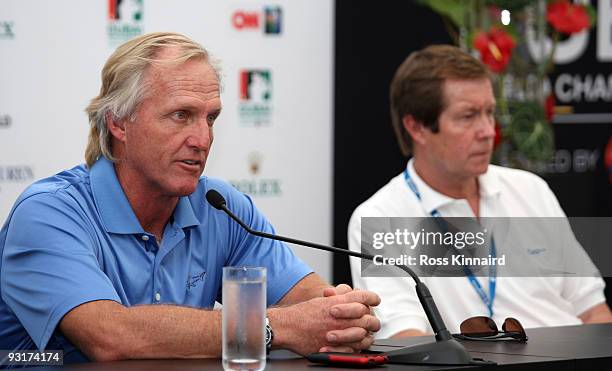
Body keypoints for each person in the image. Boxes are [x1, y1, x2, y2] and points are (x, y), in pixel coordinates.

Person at [0, 32, 380, 363]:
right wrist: (269, 327)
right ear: (118, 122)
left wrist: (339, 317)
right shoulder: (50, 213)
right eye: (181, 115)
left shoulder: (221, 206)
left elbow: (309, 302)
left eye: (210, 118)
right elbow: (110, 336)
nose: (202, 139)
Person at [348, 44, 612, 339]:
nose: (488, 131)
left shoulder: (530, 190)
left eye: (489, 113)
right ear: (417, 127)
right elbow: (406, 340)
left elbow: (594, 311)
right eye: (468, 116)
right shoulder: (381, 217)